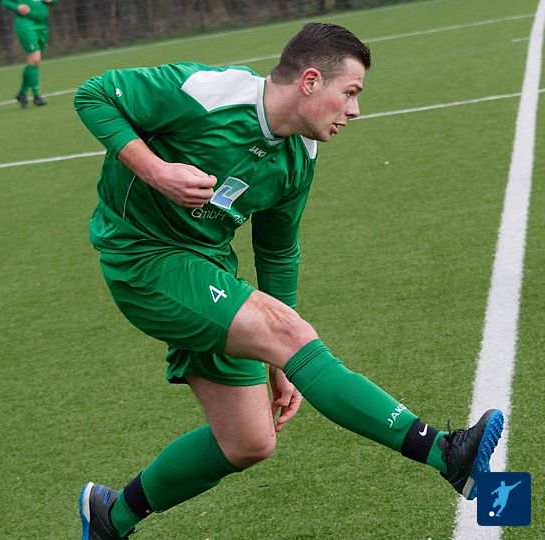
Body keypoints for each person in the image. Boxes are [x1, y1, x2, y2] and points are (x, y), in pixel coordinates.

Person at [73, 23, 504, 539]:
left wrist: (281, 362)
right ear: (310, 81)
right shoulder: (208, 92)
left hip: (209, 269)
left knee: (248, 441)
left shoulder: (301, 155)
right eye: (350, 93)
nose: (355, 110)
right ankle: (446, 452)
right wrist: (154, 170)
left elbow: (277, 250)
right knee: (291, 336)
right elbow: (93, 94)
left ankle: (111, 517)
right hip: (142, 257)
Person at [1, 0, 56, 108]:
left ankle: (22, 93)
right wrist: (17, 7)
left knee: (34, 62)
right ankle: (37, 96)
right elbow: (4, 2)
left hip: (42, 24)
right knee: (35, 58)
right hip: (26, 23)